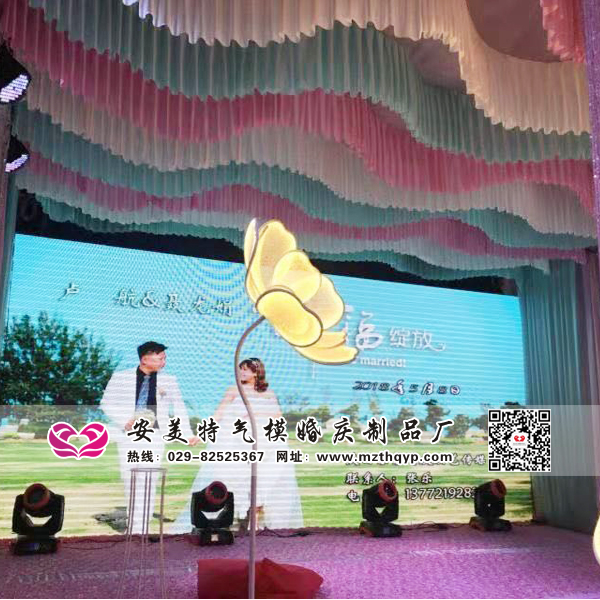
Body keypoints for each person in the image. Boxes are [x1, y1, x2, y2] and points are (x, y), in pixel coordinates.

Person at [172, 358, 303, 532]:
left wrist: (255, 414)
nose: (242, 373)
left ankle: (255, 520)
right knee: (232, 478)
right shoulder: (234, 390)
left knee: (263, 480)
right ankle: (230, 519)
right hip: (236, 442)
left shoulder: (268, 393)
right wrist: (202, 434)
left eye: (246, 370)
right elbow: (219, 414)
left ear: (256, 372)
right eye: (240, 369)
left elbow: (278, 416)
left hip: (264, 443)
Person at [100, 341, 197, 533]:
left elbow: (179, 407)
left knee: (149, 479)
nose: (164, 362)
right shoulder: (121, 377)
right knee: (130, 478)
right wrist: (125, 421)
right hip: (128, 435)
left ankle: (141, 527)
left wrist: (186, 434)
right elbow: (106, 403)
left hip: (155, 436)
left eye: (164, 358)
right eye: (160, 358)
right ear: (145, 359)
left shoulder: (169, 380)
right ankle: (133, 525)